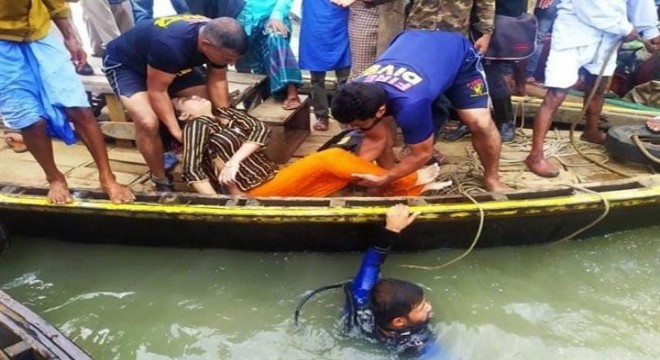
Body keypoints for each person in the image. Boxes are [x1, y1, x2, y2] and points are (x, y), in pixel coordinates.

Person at [331, 30, 506, 193]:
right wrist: (353, 172)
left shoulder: (410, 104)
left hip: (458, 56)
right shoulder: (360, 90)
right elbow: (375, 137)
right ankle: (390, 179)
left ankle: (492, 177)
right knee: (379, 129)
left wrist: (384, 178)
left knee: (479, 122)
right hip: (412, 44)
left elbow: (422, 154)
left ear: (380, 110)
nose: (355, 129)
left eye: (359, 126)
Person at [0, 0, 135, 204]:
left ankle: (107, 177)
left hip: (39, 33)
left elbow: (55, 3)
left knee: (78, 107)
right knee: (29, 119)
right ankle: (54, 178)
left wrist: (70, 37)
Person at [174, 96, 443, 197]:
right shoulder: (196, 127)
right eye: (186, 101)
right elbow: (193, 169)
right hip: (256, 189)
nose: (194, 96)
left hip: (275, 175)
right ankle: (410, 180)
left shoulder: (225, 114)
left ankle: (405, 184)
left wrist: (235, 159)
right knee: (329, 158)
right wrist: (221, 206)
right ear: (185, 116)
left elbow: (260, 130)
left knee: (335, 167)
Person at [102, 15, 248, 191]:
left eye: (234, 59)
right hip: (128, 66)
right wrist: (177, 132)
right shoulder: (171, 45)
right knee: (147, 121)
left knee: (204, 110)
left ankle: (217, 172)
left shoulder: (218, 37)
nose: (231, 64)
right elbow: (157, 91)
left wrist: (225, 117)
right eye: (227, 60)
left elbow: (217, 79)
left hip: (171, 66)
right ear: (205, 45)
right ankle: (160, 177)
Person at [525, 0, 660, 178]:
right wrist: (626, 30)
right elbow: (591, 7)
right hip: (573, 35)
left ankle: (591, 131)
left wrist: (651, 33)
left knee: (598, 89)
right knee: (556, 95)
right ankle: (535, 155)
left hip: (607, 38)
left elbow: (640, 3)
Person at [301, 204, 443, 358]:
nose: (429, 307)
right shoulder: (413, 345)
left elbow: (372, 263)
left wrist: (392, 229)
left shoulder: (360, 298)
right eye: (422, 307)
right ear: (399, 322)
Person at [235, 0, 303, 110]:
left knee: (276, 37)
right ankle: (251, 103)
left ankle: (292, 91)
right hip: (245, 19)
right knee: (240, 51)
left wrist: (277, 15)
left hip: (272, 17)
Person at [299, 0, 351, 131]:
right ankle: (321, 116)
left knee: (345, 77)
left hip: (340, 24)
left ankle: (346, 115)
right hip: (314, 24)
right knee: (316, 79)